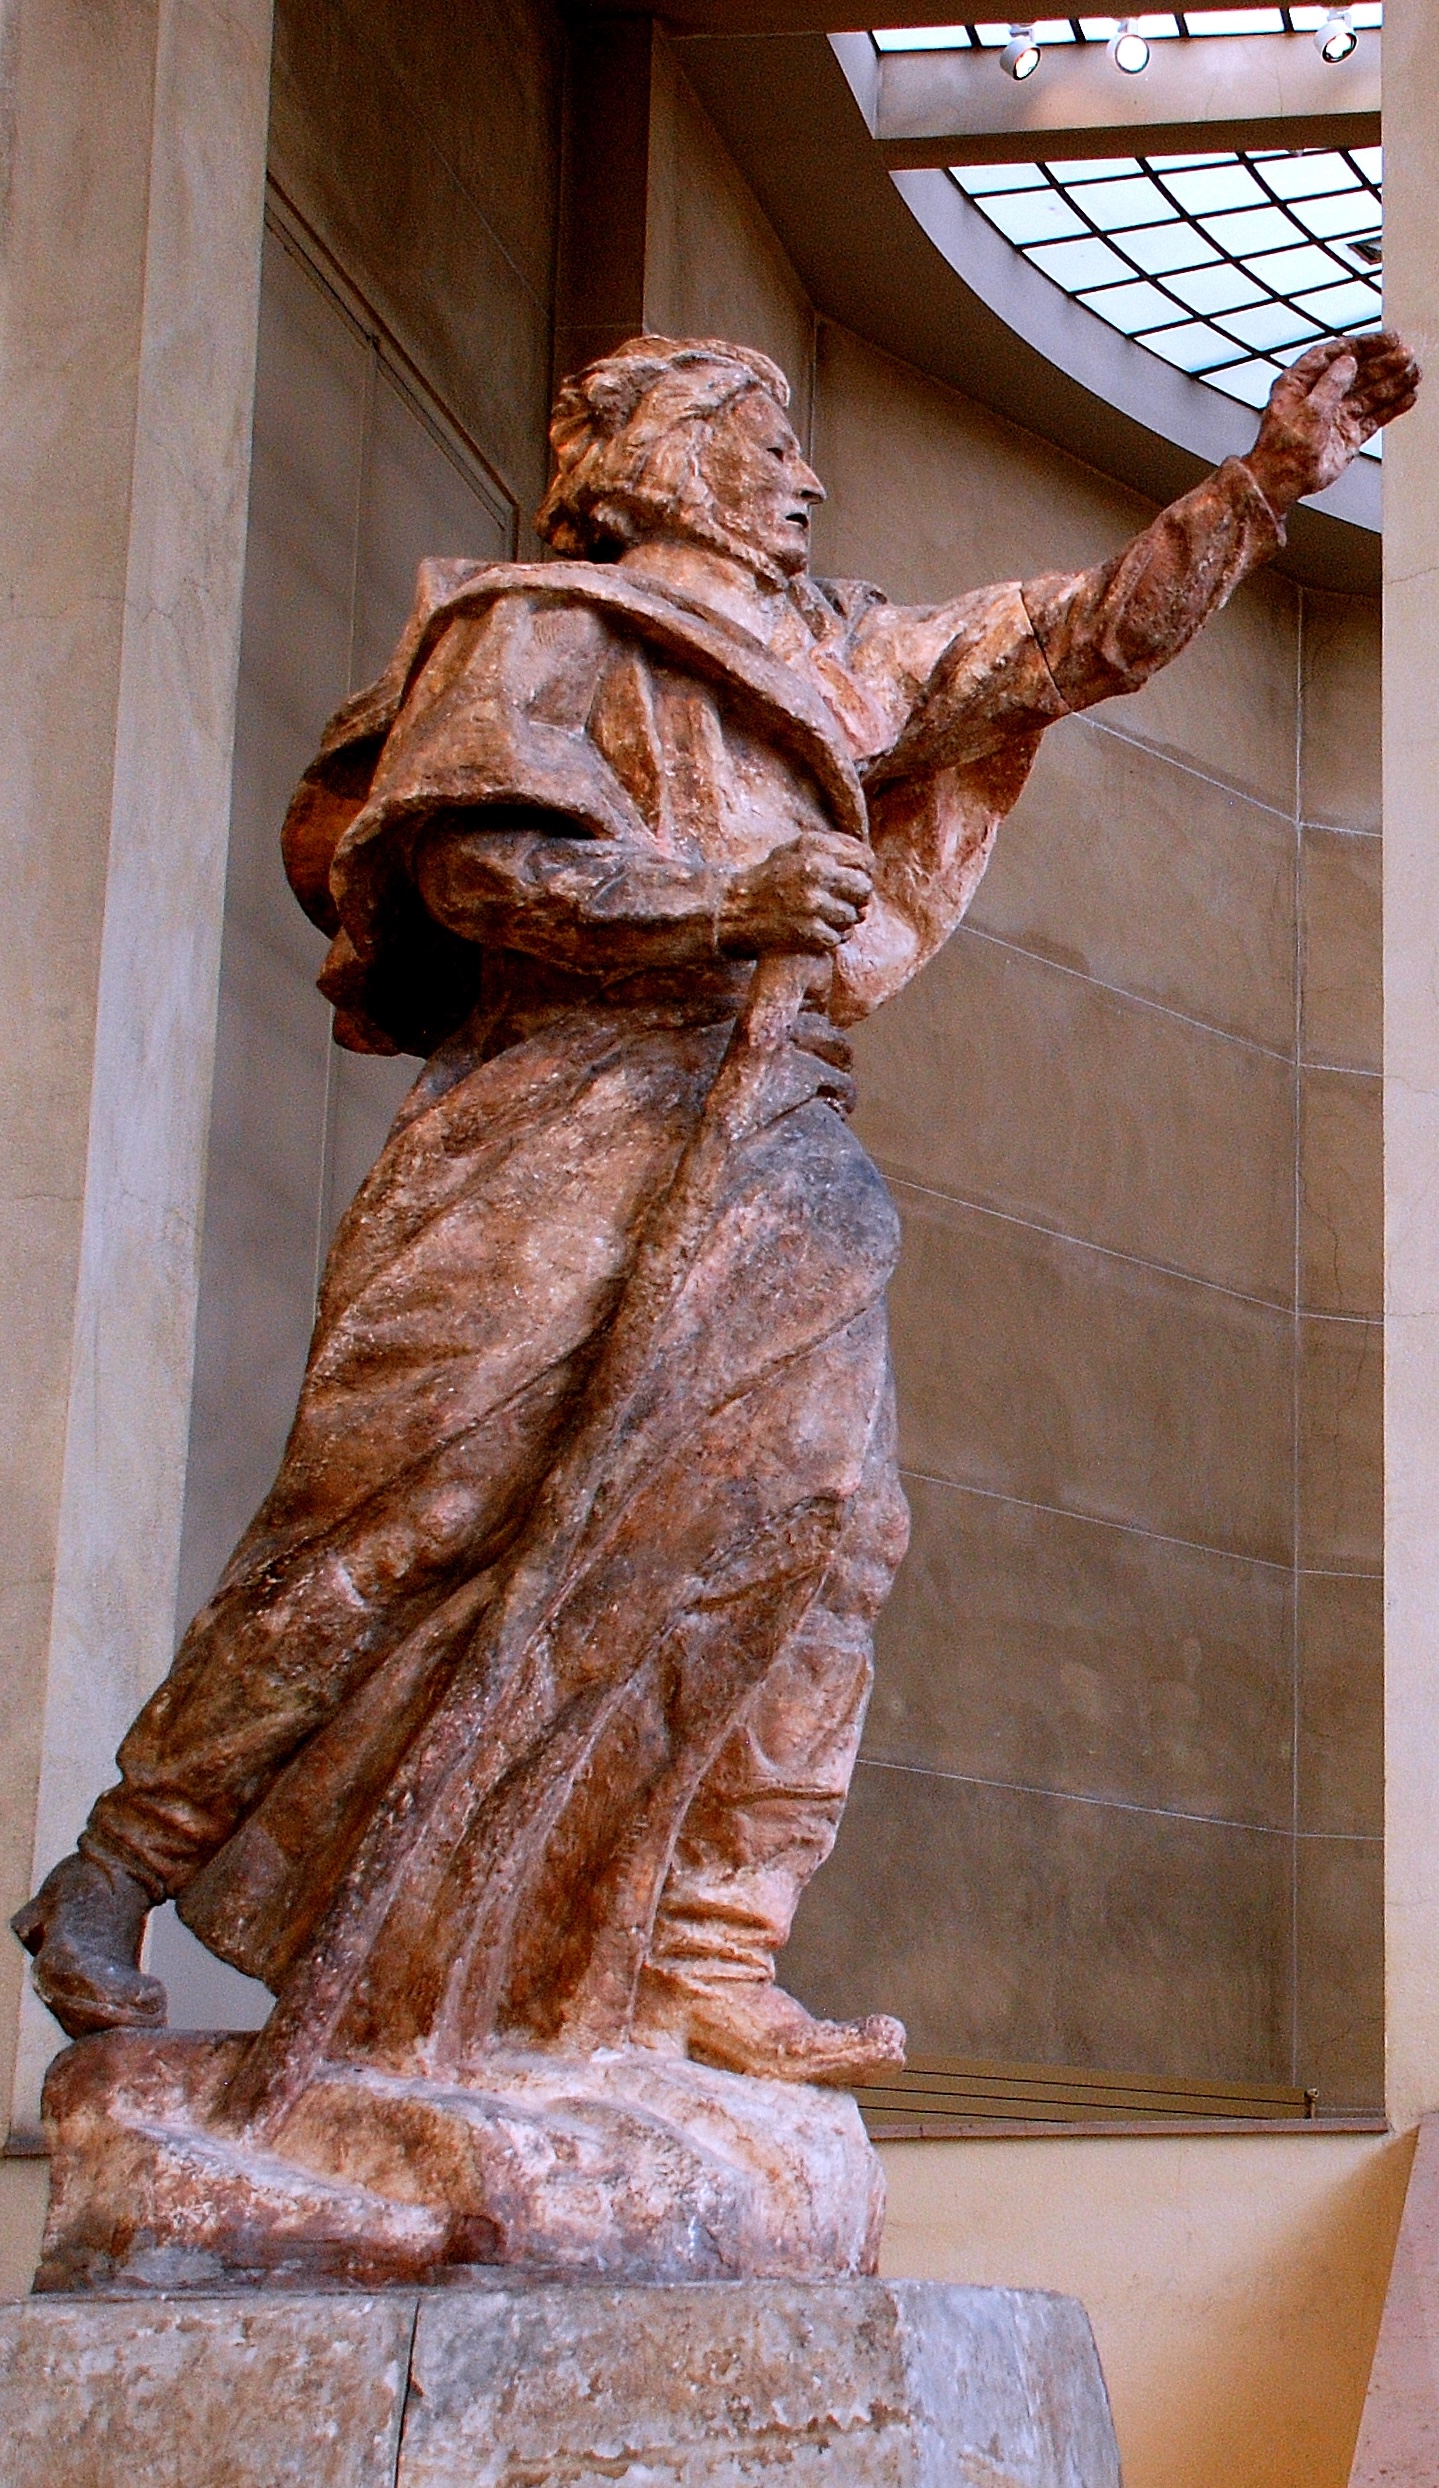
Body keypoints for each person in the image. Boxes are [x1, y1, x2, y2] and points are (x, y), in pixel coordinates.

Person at [15, 327, 1417, 2089]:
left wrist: (1262, 483)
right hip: (555, 1105)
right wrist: (717, 904)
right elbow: (473, 864)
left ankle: (710, 1955)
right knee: (402, 1505)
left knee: (827, 1531)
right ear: (641, 457)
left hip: (776, 1125)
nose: (806, 477)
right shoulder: (532, 624)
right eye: (763, 437)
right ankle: (123, 1865)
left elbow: (1071, 640)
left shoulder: (840, 654)